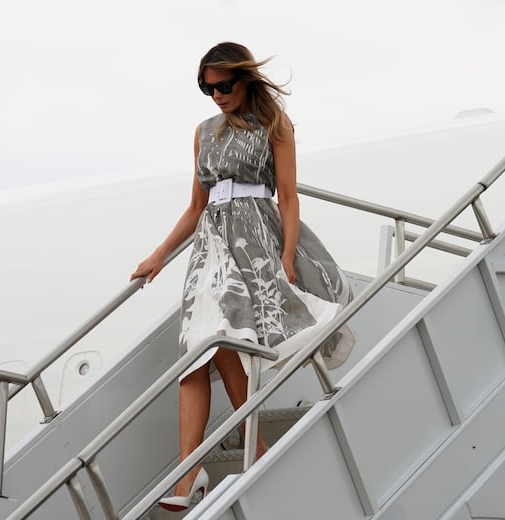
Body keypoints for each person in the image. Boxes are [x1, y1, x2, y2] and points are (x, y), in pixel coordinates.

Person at [130, 42, 354, 512]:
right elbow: (196, 206)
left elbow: (289, 197)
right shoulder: (203, 132)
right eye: (207, 88)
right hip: (210, 248)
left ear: (244, 79)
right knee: (196, 352)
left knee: (219, 339)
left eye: (224, 86)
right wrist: (159, 254)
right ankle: (193, 475)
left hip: (254, 240)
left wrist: (288, 256)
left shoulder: (273, 123)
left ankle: (239, 455)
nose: (216, 95)